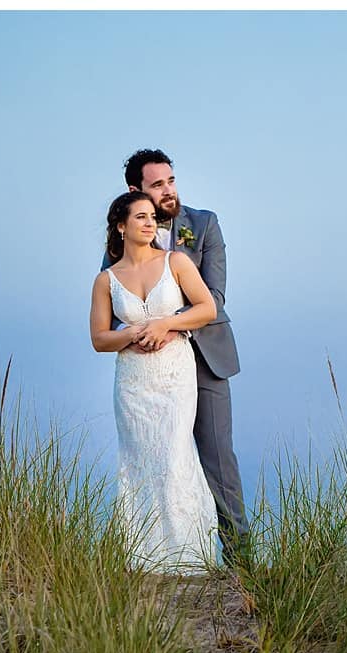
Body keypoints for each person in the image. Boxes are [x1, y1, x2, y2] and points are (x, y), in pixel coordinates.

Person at [100, 149, 251, 569]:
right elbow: (113, 300)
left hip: (206, 359)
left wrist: (167, 324)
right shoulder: (125, 238)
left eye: (171, 180)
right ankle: (155, 561)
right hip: (146, 373)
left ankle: (239, 566)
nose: (169, 191)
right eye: (157, 185)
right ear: (135, 191)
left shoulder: (204, 225)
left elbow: (214, 300)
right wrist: (136, 336)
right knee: (153, 458)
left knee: (218, 459)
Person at [90, 190, 218, 574]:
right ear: (121, 225)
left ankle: (190, 561)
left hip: (174, 375)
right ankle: (144, 561)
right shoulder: (106, 280)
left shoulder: (176, 262)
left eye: (152, 217)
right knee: (138, 461)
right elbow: (99, 339)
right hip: (133, 382)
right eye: (141, 217)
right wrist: (132, 334)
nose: (150, 223)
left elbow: (207, 308)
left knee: (176, 455)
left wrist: (166, 323)